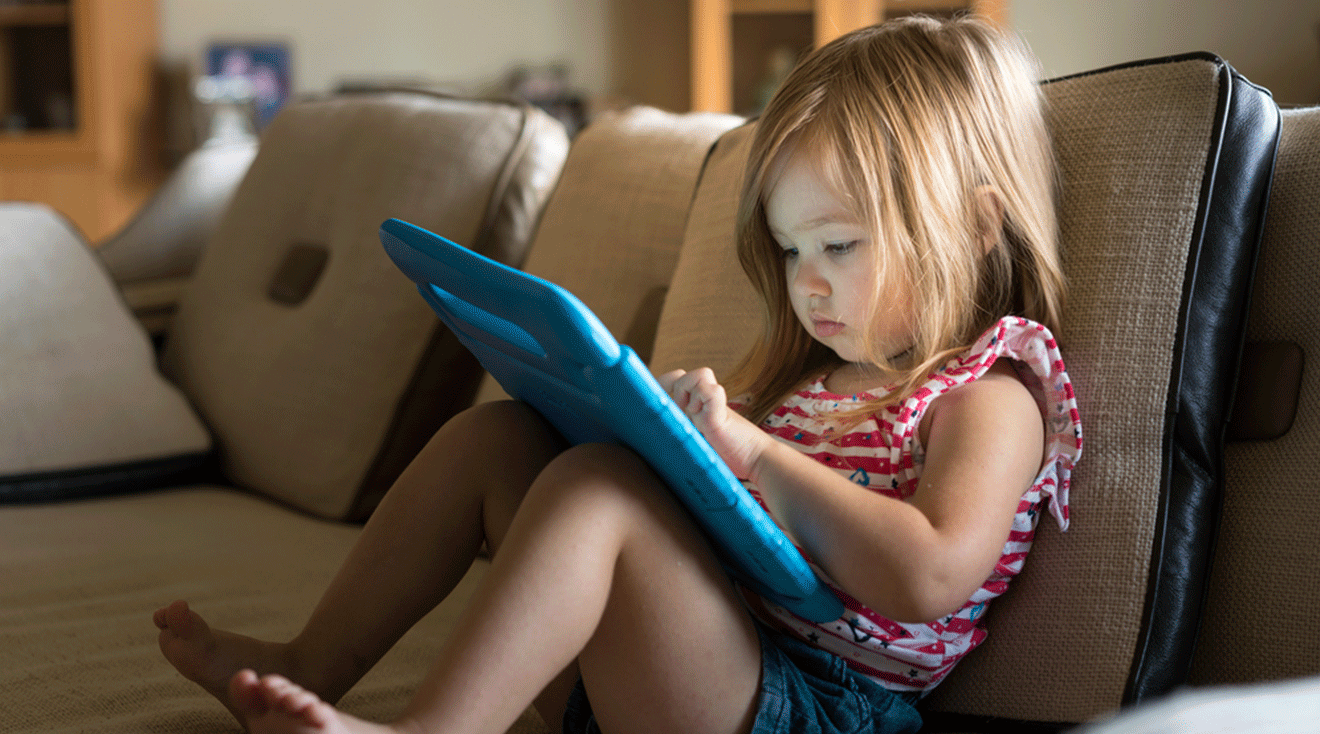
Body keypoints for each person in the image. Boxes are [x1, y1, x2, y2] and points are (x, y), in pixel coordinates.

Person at [153, 14, 1082, 734]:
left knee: (601, 490)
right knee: (500, 438)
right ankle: (314, 664)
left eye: (839, 243)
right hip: (667, 671)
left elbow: (929, 577)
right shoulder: (812, 381)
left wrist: (750, 453)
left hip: (807, 709)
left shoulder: (989, 395)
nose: (806, 280)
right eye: (791, 246)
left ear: (978, 223)